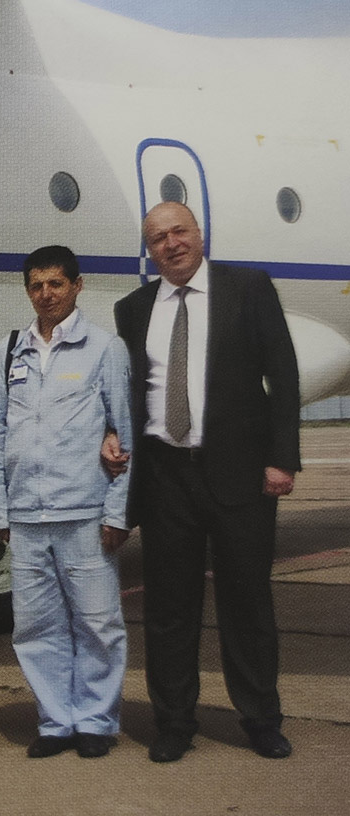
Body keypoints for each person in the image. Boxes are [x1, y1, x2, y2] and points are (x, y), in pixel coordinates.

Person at [114, 202, 300, 763]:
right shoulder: (133, 309)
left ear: (199, 234)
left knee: (247, 602)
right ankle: (174, 722)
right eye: (158, 238)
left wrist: (282, 459)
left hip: (240, 473)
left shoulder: (248, 289)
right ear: (149, 249)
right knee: (169, 609)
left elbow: (282, 372)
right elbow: (131, 388)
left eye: (179, 232)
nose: (171, 244)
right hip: (165, 476)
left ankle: (261, 719)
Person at [0, 246, 132, 759]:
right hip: (27, 516)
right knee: (35, 627)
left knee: (98, 624)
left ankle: (95, 720)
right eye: (36, 285)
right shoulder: (9, 351)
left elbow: (124, 434)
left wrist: (117, 510)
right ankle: (54, 721)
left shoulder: (105, 349)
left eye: (56, 284)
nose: (46, 294)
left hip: (84, 514)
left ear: (77, 285)